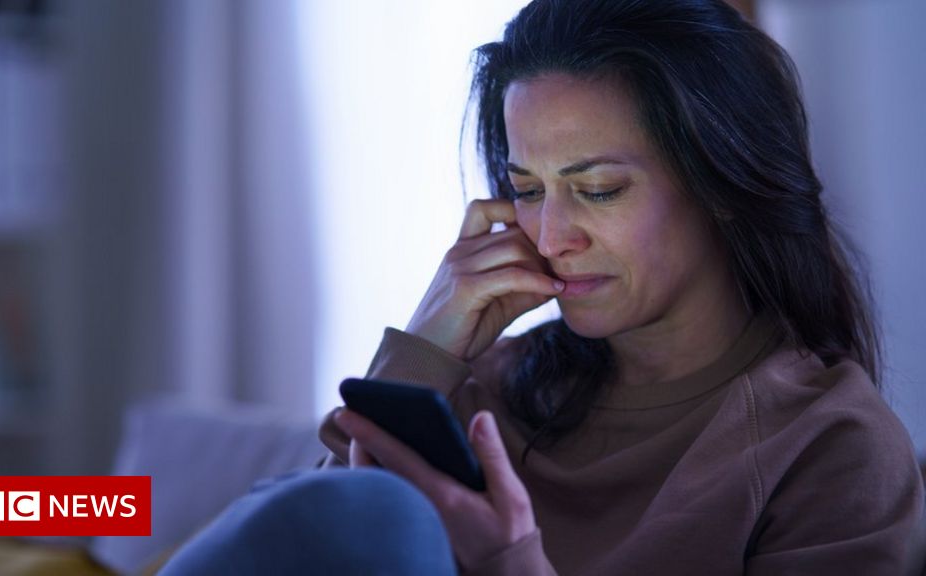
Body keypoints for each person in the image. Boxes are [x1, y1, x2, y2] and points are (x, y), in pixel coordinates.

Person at [160, 0, 924, 574]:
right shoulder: (494, 387)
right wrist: (424, 349)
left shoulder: (830, 449)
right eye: (526, 188)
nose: (551, 237)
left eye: (597, 190)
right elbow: (309, 545)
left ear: (723, 185)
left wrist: (510, 562)